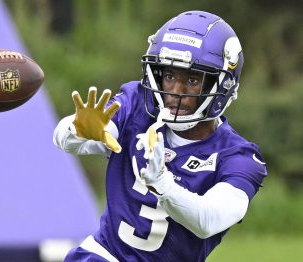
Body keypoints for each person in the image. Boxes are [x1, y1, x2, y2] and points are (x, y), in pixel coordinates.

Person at [53, 10, 268, 261]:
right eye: (169, 76)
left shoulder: (238, 156)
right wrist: (78, 129)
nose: (176, 91)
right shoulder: (137, 106)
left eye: (193, 79)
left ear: (223, 85)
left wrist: (162, 184)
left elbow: (208, 220)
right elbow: (65, 140)